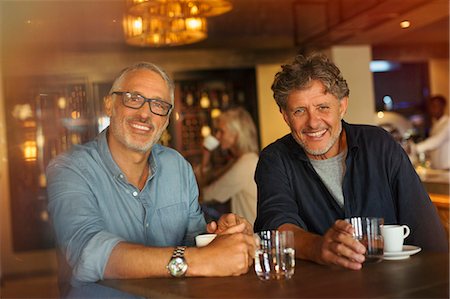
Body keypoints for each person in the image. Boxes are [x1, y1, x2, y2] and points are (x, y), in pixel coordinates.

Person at [47, 62, 256, 298]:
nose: (145, 114)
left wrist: (218, 239)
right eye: (133, 98)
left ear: (166, 120)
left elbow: (193, 239)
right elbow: (87, 251)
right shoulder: (69, 168)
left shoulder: (178, 167)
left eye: (158, 105)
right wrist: (197, 260)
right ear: (109, 104)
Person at [254, 53, 448, 271]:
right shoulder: (274, 159)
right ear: (285, 116)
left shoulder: (379, 144)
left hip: (395, 287)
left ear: (342, 106)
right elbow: (275, 225)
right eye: (299, 111)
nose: (313, 122)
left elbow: (426, 230)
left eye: (323, 107)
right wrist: (319, 247)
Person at [200, 107, 259, 226]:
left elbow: (207, 194)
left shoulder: (246, 164)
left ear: (236, 133)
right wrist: (206, 154)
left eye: (221, 131)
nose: (217, 136)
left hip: (252, 236)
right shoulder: (239, 160)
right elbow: (207, 181)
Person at [412, 95, 449, 170]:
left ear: (443, 107)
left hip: (447, 168)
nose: (432, 109)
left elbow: (437, 141)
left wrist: (415, 148)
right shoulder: (435, 125)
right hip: (438, 169)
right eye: (431, 107)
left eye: (435, 106)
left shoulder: (448, 123)